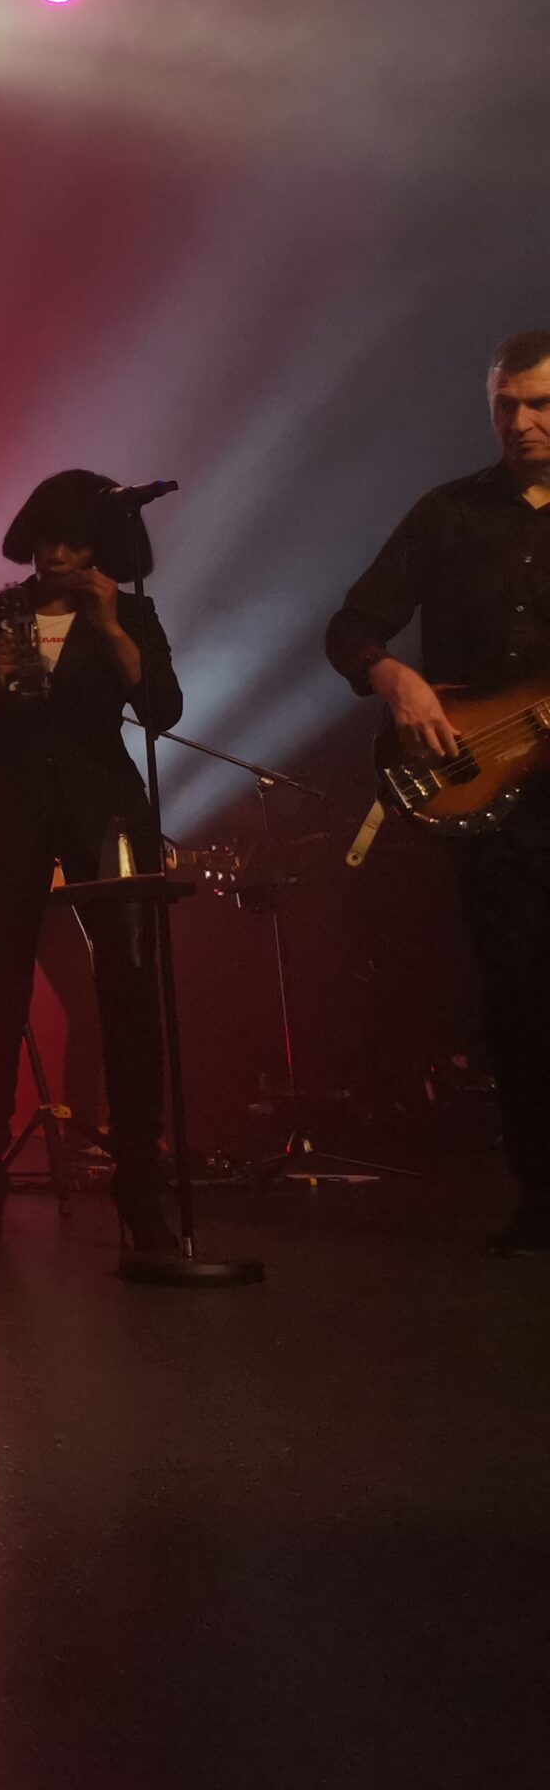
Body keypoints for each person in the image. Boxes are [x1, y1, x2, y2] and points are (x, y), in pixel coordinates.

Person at [327, 328, 550, 1256]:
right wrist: (396, 680)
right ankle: (540, 1195)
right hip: (490, 800)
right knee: (517, 999)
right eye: (506, 406)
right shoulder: (449, 512)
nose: (521, 422)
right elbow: (351, 627)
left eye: (541, 404)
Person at [0, 471, 185, 1253]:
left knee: (130, 991)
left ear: (99, 547)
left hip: (103, 809)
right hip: (5, 812)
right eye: (46, 539)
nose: (58, 554)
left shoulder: (131, 612)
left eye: (74, 541)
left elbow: (164, 711)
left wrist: (111, 629)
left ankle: (139, 1183)